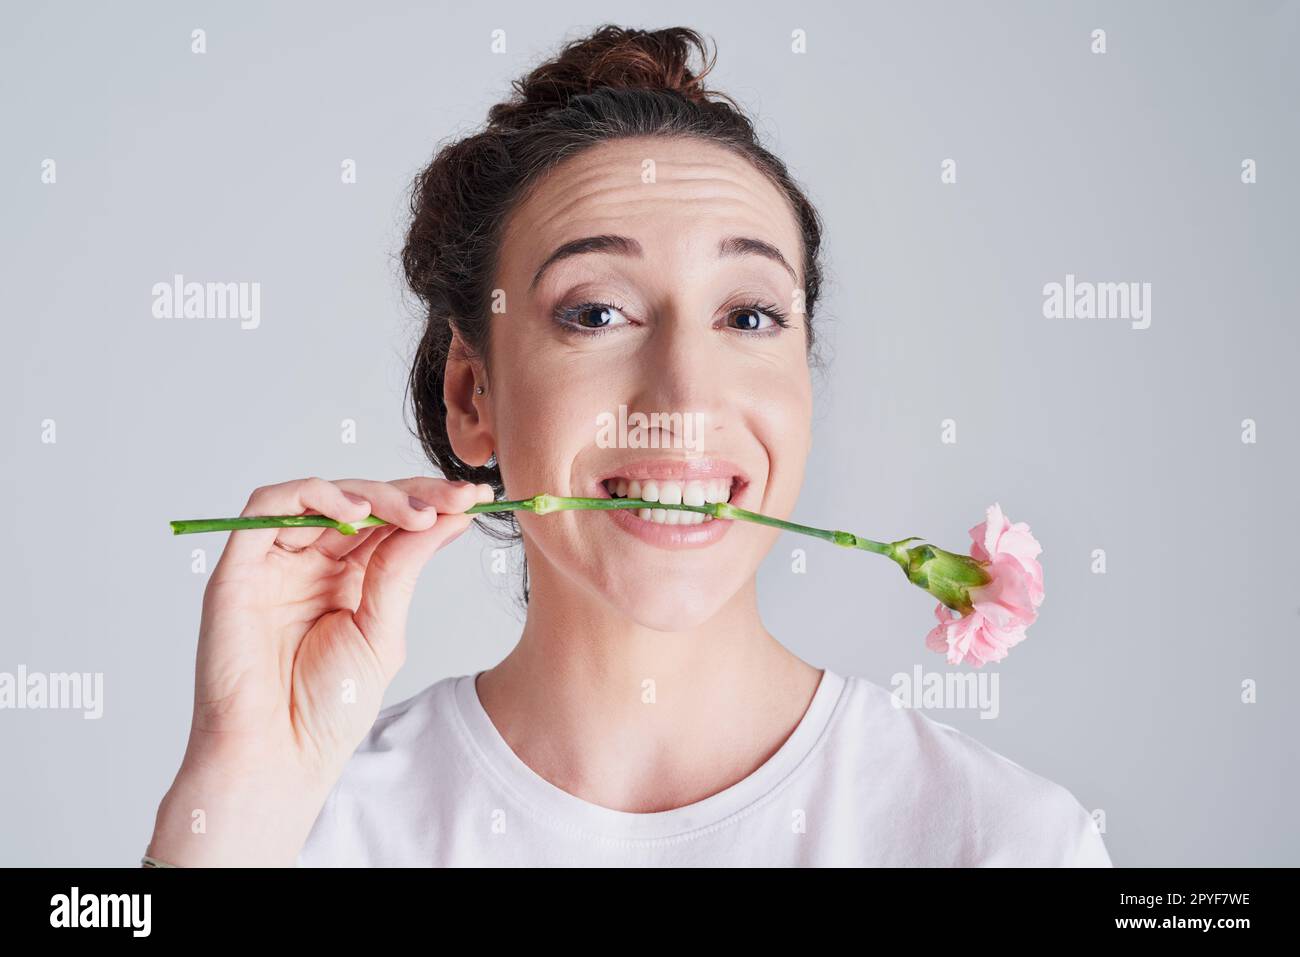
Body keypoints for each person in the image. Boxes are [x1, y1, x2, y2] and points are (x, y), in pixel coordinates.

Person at [145, 24, 1112, 867]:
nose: (684, 396)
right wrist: (239, 797)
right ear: (473, 394)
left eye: (748, 316)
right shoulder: (303, 828)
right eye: (598, 311)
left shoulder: (1004, 842)